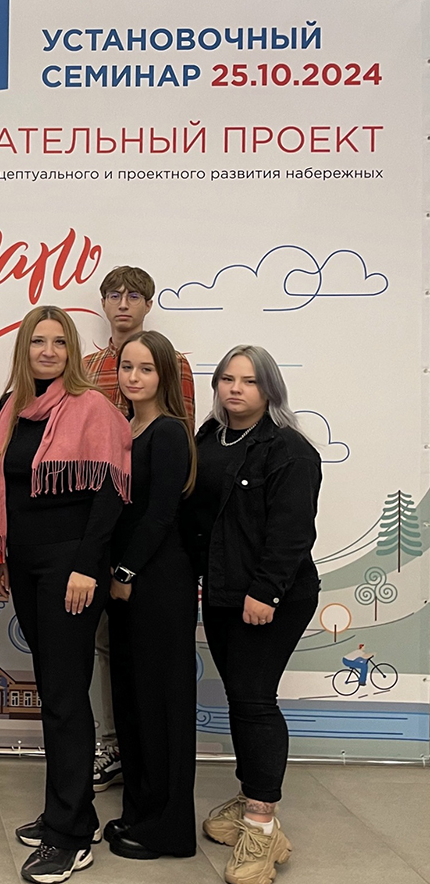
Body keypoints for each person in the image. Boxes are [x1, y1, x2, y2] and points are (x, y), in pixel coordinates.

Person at [0, 306, 131, 884]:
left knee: (66, 695)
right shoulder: (12, 407)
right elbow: (9, 493)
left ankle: (70, 837)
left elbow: (111, 496)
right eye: (37, 341)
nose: (47, 351)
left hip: (71, 568)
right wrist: (1, 559)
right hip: (24, 564)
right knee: (54, 689)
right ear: (24, 348)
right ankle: (71, 812)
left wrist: (86, 567)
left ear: (72, 351)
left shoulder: (92, 407)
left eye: (59, 342)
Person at [186, 345, 321, 884]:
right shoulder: (208, 438)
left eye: (248, 380)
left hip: (272, 597)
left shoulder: (289, 449)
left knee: (254, 699)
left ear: (269, 389)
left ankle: (263, 827)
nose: (235, 389)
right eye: (227, 379)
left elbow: (293, 531)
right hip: (223, 593)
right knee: (242, 698)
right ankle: (250, 800)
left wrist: (265, 592)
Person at [82, 265, 196, 795]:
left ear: (149, 303)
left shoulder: (174, 365)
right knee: (107, 647)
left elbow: (176, 454)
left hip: (148, 540)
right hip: (101, 521)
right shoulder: (87, 367)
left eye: (134, 295)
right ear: (103, 303)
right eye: (114, 294)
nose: (123, 303)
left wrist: (130, 564)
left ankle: (139, 760)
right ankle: (117, 745)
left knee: (145, 659)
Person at [104, 330, 198, 860]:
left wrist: (125, 571)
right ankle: (139, 812)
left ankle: (169, 830)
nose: (133, 377)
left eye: (145, 368)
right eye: (126, 367)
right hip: (128, 587)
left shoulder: (168, 432)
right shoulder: (125, 426)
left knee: (162, 705)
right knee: (133, 702)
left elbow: (160, 515)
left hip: (157, 584)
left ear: (165, 375)